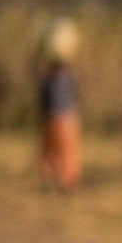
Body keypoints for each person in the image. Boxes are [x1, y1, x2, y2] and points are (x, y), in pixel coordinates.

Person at [34, 20, 80, 196]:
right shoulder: (59, 76)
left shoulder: (60, 76)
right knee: (56, 153)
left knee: (59, 154)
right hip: (61, 119)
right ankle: (58, 183)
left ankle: (64, 184)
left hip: (58, 119)